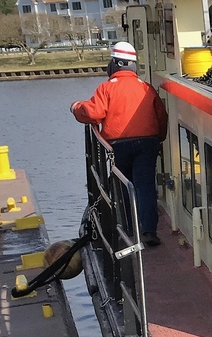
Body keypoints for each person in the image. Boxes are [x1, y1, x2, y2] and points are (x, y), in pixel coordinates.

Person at [72, 41, 168, 246]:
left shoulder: (106, 88)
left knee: (125, 186)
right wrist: (158, 139)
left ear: (114, 64)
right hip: (147, 144)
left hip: (119, 146)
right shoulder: (146, 88)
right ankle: (149, 231)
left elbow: (93, 112)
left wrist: (75, 107)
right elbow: (161, 116)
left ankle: (129, 228)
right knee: (145, 186)